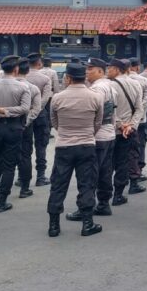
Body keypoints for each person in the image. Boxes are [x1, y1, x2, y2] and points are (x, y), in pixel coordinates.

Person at [46, 63, 103, 238]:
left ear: (68, 78)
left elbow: (54, 122)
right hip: (86, 145)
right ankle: (87, 223)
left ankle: (54, 226)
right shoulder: (95, 97)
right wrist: (87, 134)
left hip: (64, 146)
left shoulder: (57, 98)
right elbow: (98, 123)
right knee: (87, 184)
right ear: (84, 78)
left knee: (58, 185)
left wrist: (64, 132)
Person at [66, 58, 117, 221]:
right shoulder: (109, 85)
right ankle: (103, 203)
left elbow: (95, 113)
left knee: (89, 174)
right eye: (87, 69)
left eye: (91, 69)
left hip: (98, 134)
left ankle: (84, 207)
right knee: (105, 171)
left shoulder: (98, 88)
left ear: (101, 71)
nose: (87, 72)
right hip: (108, 133)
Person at [0, 56, 32, 213]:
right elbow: (25, 108)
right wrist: (8, 111)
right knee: (9, 165)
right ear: (16, 69)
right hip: (14, 127)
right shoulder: (23, 87)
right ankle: (2, 201)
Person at [107, 58, 142, 206]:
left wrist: (120, 125)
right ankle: (118, 195)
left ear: (116, 69)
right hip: (128, 132)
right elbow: (140, 108)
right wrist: (131, 126)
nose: (108, 71)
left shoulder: (109, 85)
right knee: (123, 163)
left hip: (111, 131)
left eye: (110, 68)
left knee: (107, 163)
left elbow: (109, 109)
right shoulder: (136, 84)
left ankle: (104, 195)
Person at [16, 58, 44, 199]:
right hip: (25, 126)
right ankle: (24, 187)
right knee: (25, 155)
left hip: (4, 125)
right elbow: (36, 109)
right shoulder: (33, 88)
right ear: (27, 71)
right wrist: (26, 122)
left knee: (4, 157)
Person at [25, 54, 54, 187]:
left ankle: (22, 177)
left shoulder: (22, 76)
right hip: (41, 115)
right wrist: (37, 109)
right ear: (39, 63)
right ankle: (41, 176)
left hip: (24, 114)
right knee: (41, 145)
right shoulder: (45, 78)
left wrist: (29, 111)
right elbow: (46, 97)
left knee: (25, 147)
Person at [126, 60, 147, 193]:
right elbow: (146, 101)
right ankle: (137, 172)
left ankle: (123, 175)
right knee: (138, 148)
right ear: (137, 67)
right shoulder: (143, 81)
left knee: (122, 150)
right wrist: (138, 116)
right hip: (140, 121)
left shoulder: (114, 82)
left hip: (122, 123)